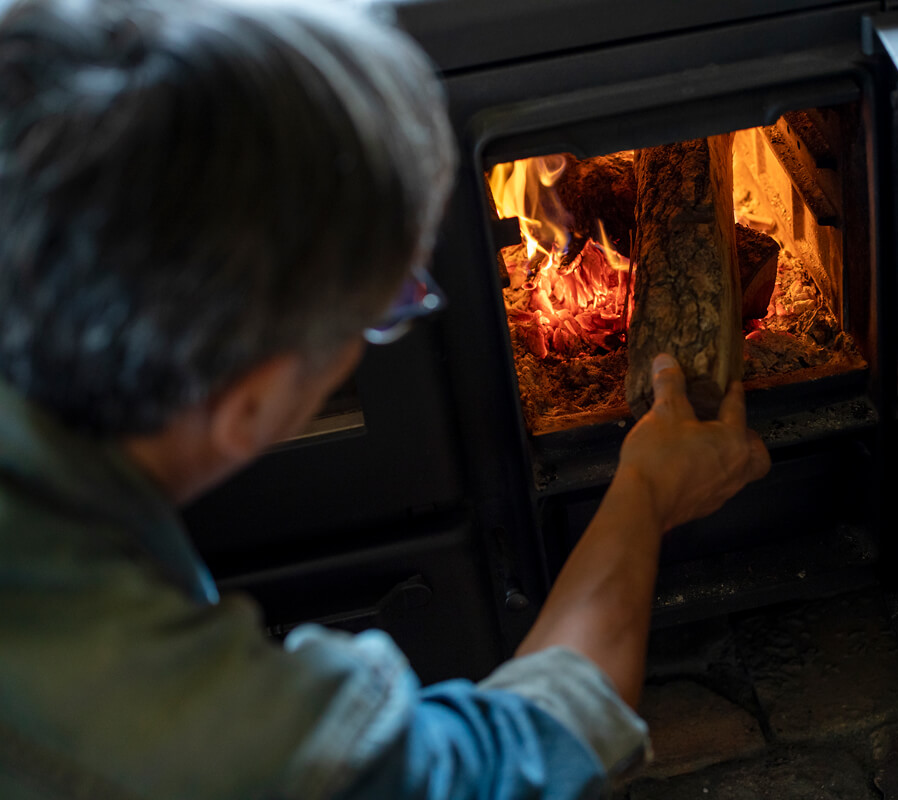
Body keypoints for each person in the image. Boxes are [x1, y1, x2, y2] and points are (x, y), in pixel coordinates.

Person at [0, 0, 771, 797]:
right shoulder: (176, 725)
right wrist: (645, 491)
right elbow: (519, 757)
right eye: (385, 307)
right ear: (250, 403)